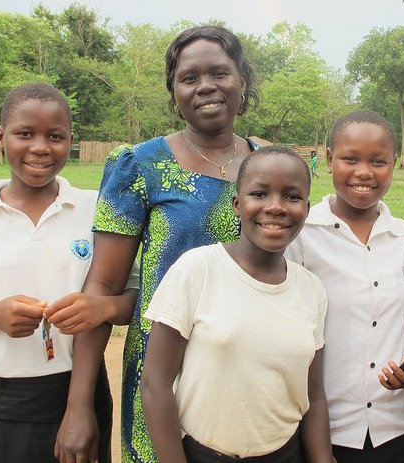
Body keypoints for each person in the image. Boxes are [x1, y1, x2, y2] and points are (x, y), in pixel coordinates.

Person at [56, 25, 260, 463]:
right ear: (174, 92)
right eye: (189, 77)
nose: (206, 86)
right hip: (160, 378)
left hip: (249, 374)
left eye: (220, 73)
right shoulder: (139, 165)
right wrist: (79, 406)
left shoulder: (269, 165)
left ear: (242, 80)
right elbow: (103, 285)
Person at [140, 145, 333, 463]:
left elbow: (314, 396)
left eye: (292, 197)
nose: (276, 207)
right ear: (236, 204)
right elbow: (154, 383)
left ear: (306, 209)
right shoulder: (198, 269)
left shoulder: (311, 289)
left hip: (286, 453)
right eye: (259, 194)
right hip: (204, 454)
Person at [0, 82, 138, 463]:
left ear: (70, 141)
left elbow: (137, 296)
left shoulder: (97, 210)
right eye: (24, 134)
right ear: (1, 137)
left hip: (78, 393)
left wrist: (105, 309)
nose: (40, 148)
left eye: (55, 136)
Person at [287, 110, 404, 463]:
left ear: (394, 163)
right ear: (329, 159)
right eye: (350, 159)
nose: (364, 172)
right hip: (323, 429)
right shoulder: (301, 237)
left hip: (397, 428)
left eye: (378, 161)